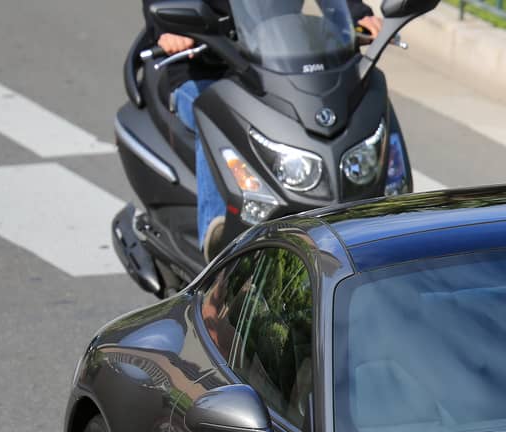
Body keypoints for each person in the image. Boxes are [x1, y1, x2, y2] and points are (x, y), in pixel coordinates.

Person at [146, 0, 381, 257]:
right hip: (202, 67)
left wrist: (355, 14)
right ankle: (216, 244)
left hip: (272, 61)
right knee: (217, 113)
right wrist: (168, 30)